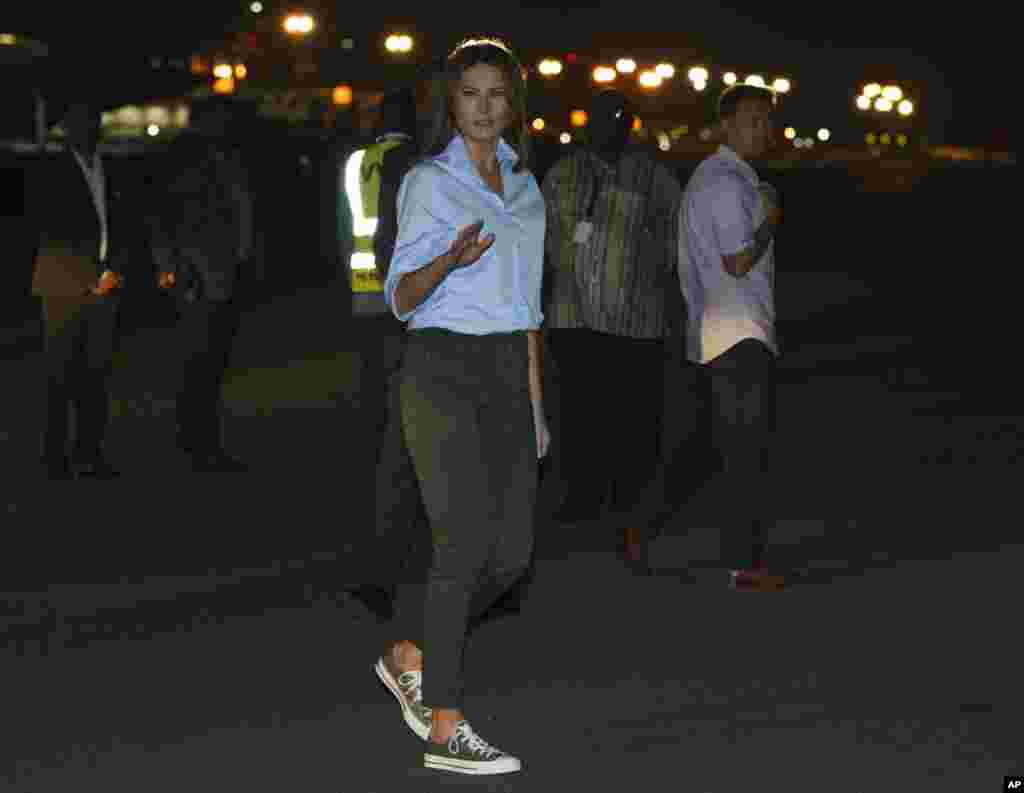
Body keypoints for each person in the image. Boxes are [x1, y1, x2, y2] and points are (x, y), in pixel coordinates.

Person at [372, 37, 549, 776]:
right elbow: (401, 297)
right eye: (470, 93)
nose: (483, 107)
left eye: (496, 94)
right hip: (441, 364)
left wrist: (536, 406)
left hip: (509, 366)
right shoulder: (428, 182)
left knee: (512, 554)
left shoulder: (526, 188)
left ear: (513, 105)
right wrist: (449, 259)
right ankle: (446, 724)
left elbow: (530, 308)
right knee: (462, 539)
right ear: (451, 101)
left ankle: (411, 651)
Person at [541, 88, 683, 559]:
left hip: (634, 322)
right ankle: (581, 495)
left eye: (617, 117)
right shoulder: (562, 174)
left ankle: (630, 501)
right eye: (600, 115)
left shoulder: (653, 177)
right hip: (573, 317)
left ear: (630, 124)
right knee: (579, 413)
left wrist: (652, 286)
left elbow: (672, 241)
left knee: (634, 418)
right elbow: (542, 238)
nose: (608, 124)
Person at [678, 83, 785, 591]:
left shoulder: (727, 177)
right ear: (726, 124)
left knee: (719, 449)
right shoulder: (724, 182)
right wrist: (771, 222)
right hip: (736, 332)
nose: (763, 130)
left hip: (723, 330)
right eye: (752, 119)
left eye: (767, 119)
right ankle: (745, 565)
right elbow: (738, 260)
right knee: (745, 455)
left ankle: (640, 532)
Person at [150, 97, 258, 473]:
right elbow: (169, 220)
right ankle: (198, 446)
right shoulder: (189, 158)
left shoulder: (214, 155)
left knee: (208, 364)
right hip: (200, 276)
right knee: (200, 364)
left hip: (213, 273)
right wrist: (177, 270)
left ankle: (201, 444)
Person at [30, 100, 126, 480]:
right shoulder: (50, 169)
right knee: (60, 373)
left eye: (93, 121)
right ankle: (55, 457)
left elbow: (123, 222)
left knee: (96, 372)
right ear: (68, 128)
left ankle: (90, 452)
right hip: (63, 281)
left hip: (103, 283)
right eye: (80, 122)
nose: (89, 128)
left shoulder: (109, 167)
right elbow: (44, 224)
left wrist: (115, 269)